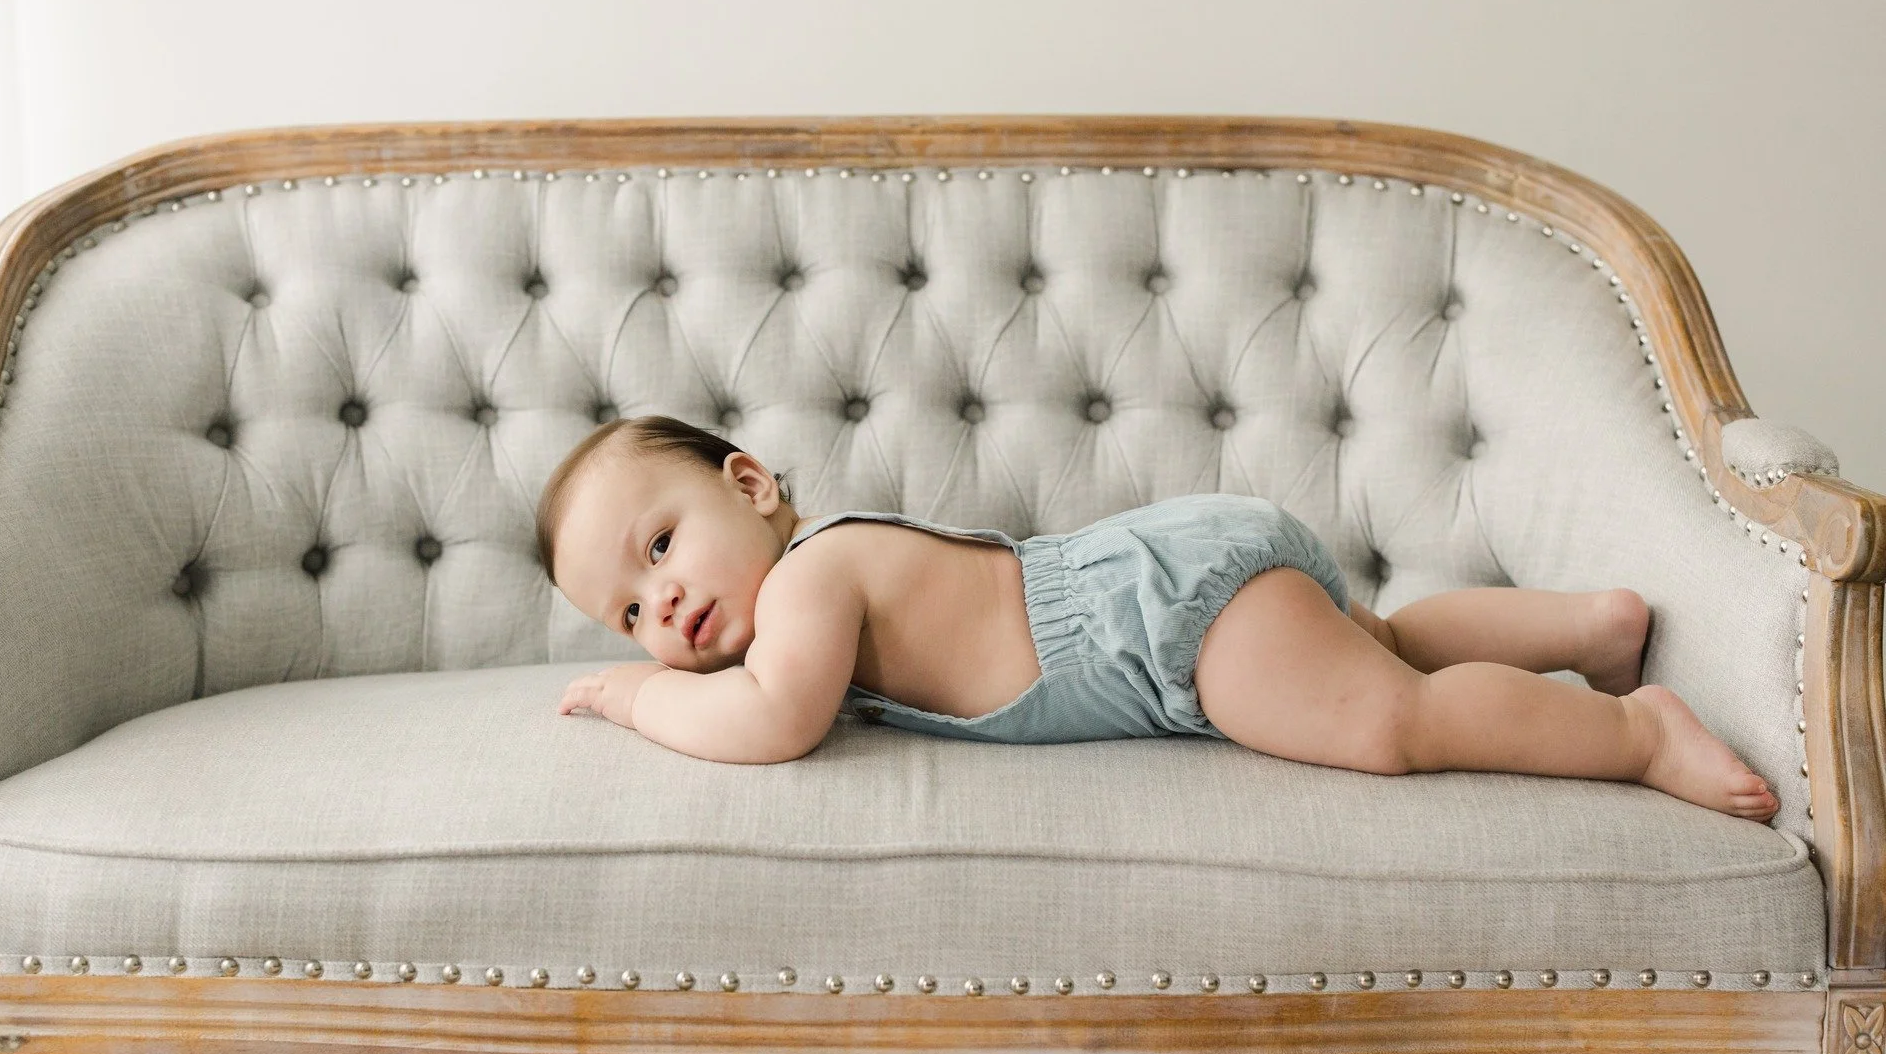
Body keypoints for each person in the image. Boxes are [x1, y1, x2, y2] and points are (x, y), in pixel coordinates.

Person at [538, 415, 1778, 821]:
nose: (664, 601)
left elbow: (773, 723)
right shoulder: (811, 576)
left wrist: (635, 696)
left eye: (661, 544)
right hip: (1174, 573)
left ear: (749, 487)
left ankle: (1636, 735)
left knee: (1387, 718)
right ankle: (1585, 629)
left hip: (1159, 623)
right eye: (629, 610)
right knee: (1383, 640)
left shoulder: (811, 579)